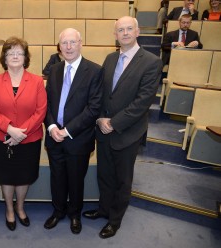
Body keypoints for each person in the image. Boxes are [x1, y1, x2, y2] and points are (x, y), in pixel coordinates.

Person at [82, 16, 162, 239]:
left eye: (129, 29)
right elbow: (100, 94)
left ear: (137, 32)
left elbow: (142, 102)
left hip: (127, 133)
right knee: (104, 175)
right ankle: (103, 210)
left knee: (122, 179)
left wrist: (114, 123)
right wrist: (99, 119)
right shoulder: (109, 59)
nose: (125, 33)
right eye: (120, 30)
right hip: (103, 130)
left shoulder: (151, 62)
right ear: (115, 35)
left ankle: (114, 220)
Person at [43, 28, 102, 235]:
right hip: (53, 136)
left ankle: (74, 214)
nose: (68, 47)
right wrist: (51, 127)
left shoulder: (94, 71)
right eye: (64, 43)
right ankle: (58, 211)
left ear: (80, 43)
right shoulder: (55, 70)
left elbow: (93, 108)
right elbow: (47, 103)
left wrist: (67, 130)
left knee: (76, 179)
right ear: (59, 47)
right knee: (57, 177)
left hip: (78, 138)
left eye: (72, 42)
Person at [0, 37, 47, 231]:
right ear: (4, 57)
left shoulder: (37, 81)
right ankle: (9, 210)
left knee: (24, 175)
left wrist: (22, 133)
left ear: (25, 57)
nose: (14, 56)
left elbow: (41, 111)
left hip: (29, 139)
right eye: (10, 52)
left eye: (19, 52)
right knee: (6, 176)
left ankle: (20, 208)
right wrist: (10, 129)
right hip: (2, 138)